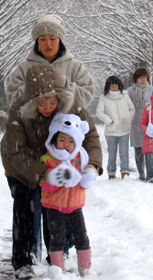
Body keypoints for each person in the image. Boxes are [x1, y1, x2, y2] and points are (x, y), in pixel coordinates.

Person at [0, 64, 102, 279]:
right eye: (41, 102)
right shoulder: (19, 111)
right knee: (25, 209)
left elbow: (91, 135)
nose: (48, 107)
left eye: (53, 101)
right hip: (22, 167)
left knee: (56, 208)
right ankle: (22, 261)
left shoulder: (72, 106)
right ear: (31, 100)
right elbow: (15, 152)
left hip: (59, 164)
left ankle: (57, 255)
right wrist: (43, 173)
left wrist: (92, 164)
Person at [40, 113, 97, 276]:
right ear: (55, 139)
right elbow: (44, 183)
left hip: (75, 207)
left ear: (78, 141)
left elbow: (85, 182)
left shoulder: (81, 158)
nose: (66, 145)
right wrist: (54, 178)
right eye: (62, 140)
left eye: (71, 141)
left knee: (81, 237)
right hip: (54, 208)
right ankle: (57, 269)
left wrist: (88, 177)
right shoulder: (49, 158)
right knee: (57, 239)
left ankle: (85, 268)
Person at [5, 15, 95, 109]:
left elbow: (87, 95)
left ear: (59, 41)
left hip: (66, 122)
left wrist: (63, 84)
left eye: (52, 39)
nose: (48, 44)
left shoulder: (75, 67)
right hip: (33, 123)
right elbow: (13, 99)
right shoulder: (24, 68)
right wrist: (33, 86)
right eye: (43, 39)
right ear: (37, 42)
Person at [96, 76, 135, 179]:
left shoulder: (124, 96)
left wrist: (128, 119)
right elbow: (99, 112)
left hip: (124, 129)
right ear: (108, 87)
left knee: (124, 154)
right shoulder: (103, 98)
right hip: (111, 131)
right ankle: (111, 173)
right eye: (112, 86)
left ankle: (125, 172)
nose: (114, 88)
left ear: (119, 86)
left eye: (116, 86)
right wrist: (109, 121)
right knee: (112, 154)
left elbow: (132, 109)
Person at [127, 68, 153, 181]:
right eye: (140, 78)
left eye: (144, 78)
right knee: (138, 148)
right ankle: (141, 173)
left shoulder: (152, 89)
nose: (142, 80)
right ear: (136, 79)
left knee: (148, 148)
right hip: (135, 122)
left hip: (149, 121)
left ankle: (150, 173)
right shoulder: (130, 90)